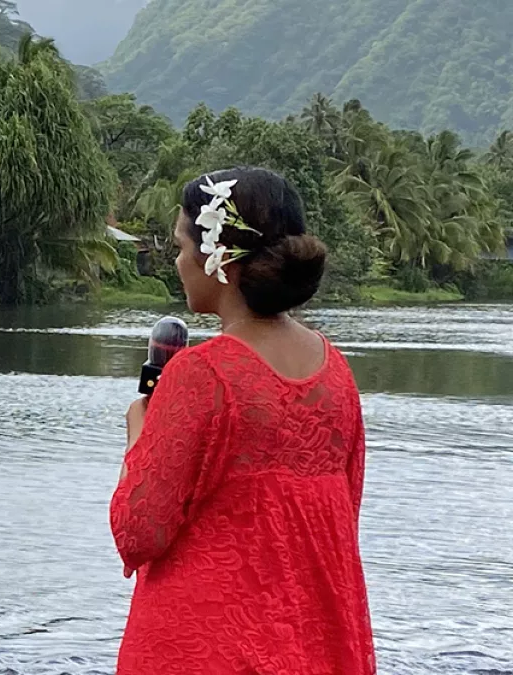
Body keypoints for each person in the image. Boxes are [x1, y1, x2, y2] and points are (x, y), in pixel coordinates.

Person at [109, 167, 375, 674]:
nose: (180, 262)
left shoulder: (202, 374)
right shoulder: (336, 372)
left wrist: (138, 432)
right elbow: (341, 518)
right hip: (317, 640)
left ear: (219, 259)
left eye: (183, 246)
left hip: (208, 645)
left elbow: (138, 532)